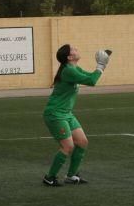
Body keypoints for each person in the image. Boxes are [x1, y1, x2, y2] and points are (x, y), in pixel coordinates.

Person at [42, 45, 111, 187]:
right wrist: (101, 65)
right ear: (69, 57)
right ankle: (50, 177)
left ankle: (71, 175)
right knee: (68, 146)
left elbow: (90, 77)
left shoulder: (74, 69)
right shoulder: (68, 71)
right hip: (55, 114)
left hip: (66, 114)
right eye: (73, 49)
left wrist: (100, 67)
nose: (77, 49)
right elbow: (92, 81)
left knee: (82, 142)